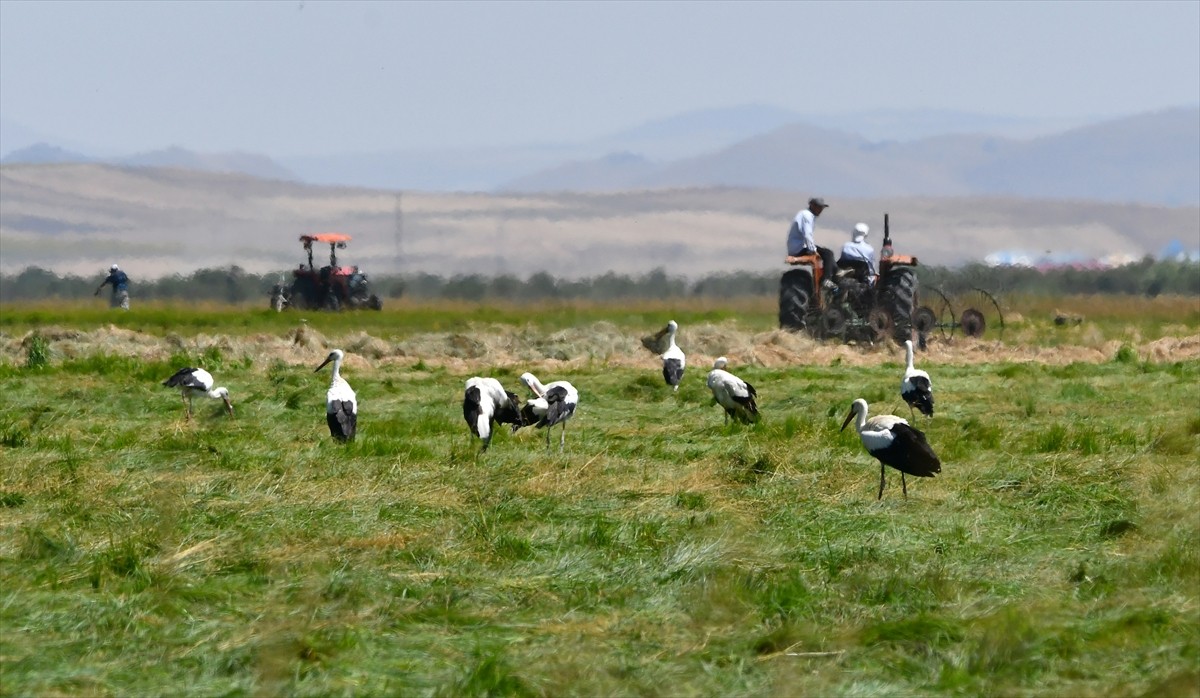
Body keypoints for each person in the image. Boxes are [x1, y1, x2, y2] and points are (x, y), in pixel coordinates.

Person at [786, 197, 838, 290]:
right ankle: (826, 280)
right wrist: (813, 250)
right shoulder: (807, 215)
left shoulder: (805, 215)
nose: (820, 210)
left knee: (826, 255)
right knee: (828, 253)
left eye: (821, 208)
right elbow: (807, 234)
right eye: (818, 207)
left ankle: (829, 275)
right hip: (800, 247)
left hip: (797, 247)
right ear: (812, 205)